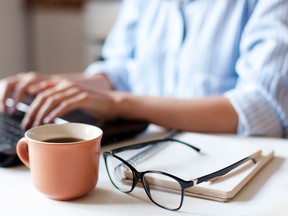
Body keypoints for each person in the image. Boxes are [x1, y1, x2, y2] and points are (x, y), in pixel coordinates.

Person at [0, 0, 287, 137]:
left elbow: (261, 109)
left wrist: (118, 104)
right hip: (149, 155)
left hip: (229, 169)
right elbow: (123, 71)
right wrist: (52, 87)